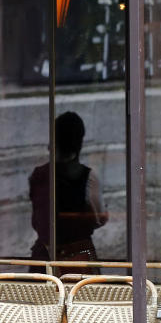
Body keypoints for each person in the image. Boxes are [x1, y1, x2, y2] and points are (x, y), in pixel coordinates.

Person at [29, 111, 108, 262]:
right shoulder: (88, 176)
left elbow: (37, 221)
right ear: (79, 142)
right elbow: (98, 219)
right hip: (78, 256)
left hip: (44, 254)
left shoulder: (38, 175)